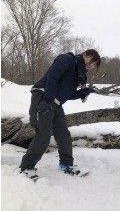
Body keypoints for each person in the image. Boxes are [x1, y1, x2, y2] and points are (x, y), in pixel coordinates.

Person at [19, 49, 100, 178]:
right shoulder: (67, 59)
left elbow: (68, 94)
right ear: (86, 55)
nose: (91, 66)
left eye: (94, 65)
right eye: (92, 61)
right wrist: (47, 100)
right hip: (43, 97)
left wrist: (84, 92)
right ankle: (26, 167)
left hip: (56, 103)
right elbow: (53, 76)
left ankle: (66, 165)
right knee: (43, 136)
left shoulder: (77, 73)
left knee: (63, 134)